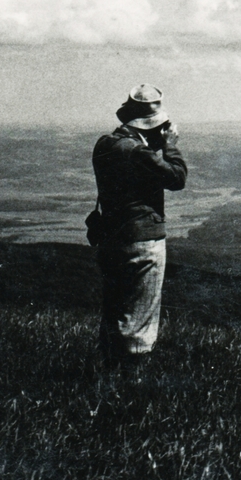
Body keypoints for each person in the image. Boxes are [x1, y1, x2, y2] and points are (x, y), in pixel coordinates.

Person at [91, 85, 187, 370]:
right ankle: (131, 384)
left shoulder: (106, 143)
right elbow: (176, 177)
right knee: (139, 319)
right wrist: (170, 145)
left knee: (115, 312)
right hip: (142, 241)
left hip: (111, 239)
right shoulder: (138, 153)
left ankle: (107, 375)